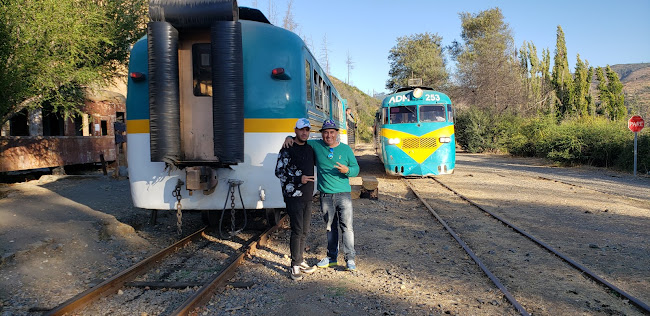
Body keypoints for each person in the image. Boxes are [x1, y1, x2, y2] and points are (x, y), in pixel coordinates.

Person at [284, 119, 360, 271]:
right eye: (325, 132)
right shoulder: (316, 145)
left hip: (343, 194)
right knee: (330, 227)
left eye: (332, 132)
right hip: (325, 195)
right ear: (322, 134)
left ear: (336, 133)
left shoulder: (346, 150)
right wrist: (289, 138)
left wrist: (348, 171)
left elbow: (356, 168)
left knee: (347, 227)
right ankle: (331, 257)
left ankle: (350, 258)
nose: (329, 135)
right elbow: (301, 139)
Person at [275, 118, 318, 280]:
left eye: (307, 130)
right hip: (293, 196)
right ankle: (294, 265)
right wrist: (299, 179)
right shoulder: (287, 149)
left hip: (307, 195)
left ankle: (300, 260)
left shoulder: (310, 149)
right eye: (301, 130)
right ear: (295, 130)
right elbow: (279, 172)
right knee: (297, 229)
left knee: (305, 230)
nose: (304, 132)